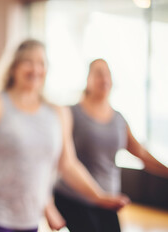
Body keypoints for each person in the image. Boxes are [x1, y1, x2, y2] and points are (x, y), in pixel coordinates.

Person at [0, 40, 129, 232]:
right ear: (14, 67)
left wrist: (99, 196)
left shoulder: (58, 114)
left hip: (31, 221)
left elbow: (67, 165)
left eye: (41, 63)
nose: (35, 69)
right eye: (28, 61)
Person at [53, 58, 168, 232]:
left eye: (108, 74)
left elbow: (141, 154)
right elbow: (61, 159)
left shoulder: (119, 119)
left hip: (108, 200)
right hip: (74, 197)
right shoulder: (71, 113)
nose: (104, 79)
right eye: (99, 73)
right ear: (88, 79)